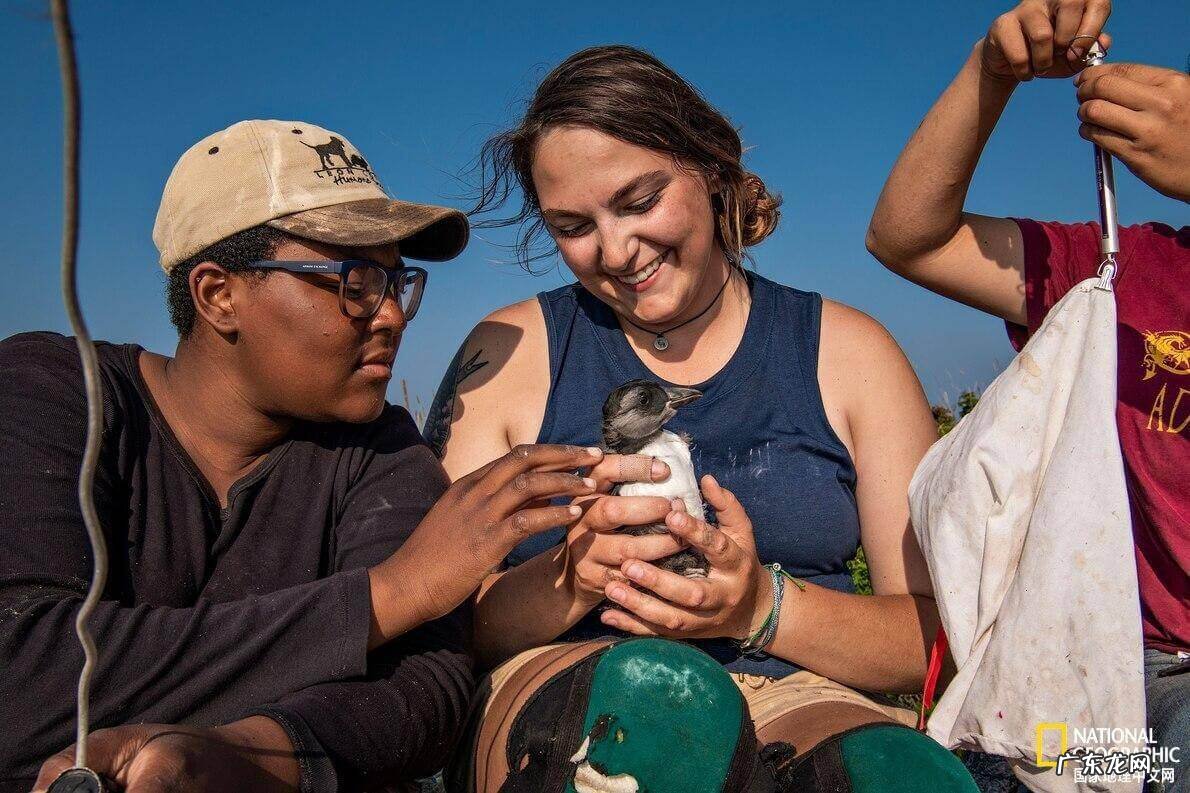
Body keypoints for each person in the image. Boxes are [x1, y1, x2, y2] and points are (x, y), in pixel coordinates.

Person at [0, 119, 613, 793]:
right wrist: (389, 594)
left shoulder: (378, 448)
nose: (391, 316)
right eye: (353, 281)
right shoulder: (54, 394)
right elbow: (24, 670)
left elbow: (423, 690)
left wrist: (237, 755)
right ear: (217, 294)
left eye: (396, 282)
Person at [429, 46, 975, 791]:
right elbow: (439, 623)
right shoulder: (505, 354)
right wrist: (573, 575)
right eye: (572, 224)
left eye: (638, 200)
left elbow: (927, 637)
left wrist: (759, 605)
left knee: (894, 777)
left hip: (798, 694)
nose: (616, 251)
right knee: (638, 739)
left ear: (713, 167)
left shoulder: (854, 353)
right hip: (571, 685)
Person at [866, 0, 1188, 787]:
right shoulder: (1128, 270)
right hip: (1127, 689)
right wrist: (992, 73)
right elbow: (911, 236)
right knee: (1075, 758)